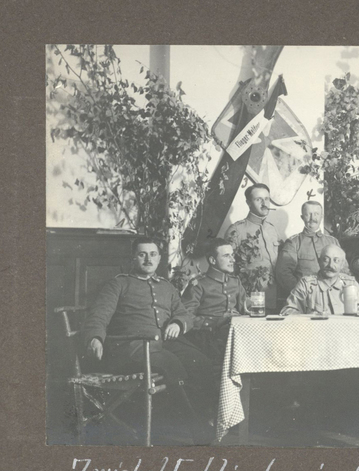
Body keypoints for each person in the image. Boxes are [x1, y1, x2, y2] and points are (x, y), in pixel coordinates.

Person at [79, 235, 213, 442]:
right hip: (131, 346)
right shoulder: (118, 284)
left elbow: (185, 314)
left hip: (164, 344)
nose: (148, 260)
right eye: (142, 254)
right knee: (171, 364)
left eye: (153, 255)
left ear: (159, 258)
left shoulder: (166, 287)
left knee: (202, 363)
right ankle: (198, 434)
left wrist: (177, 323)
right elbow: (99, 315)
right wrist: (95, 338)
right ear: (133, 258)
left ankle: (203, 422)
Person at [181, 238, 245, 362]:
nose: (233, 260)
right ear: (212, 260)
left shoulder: (235, 282)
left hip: (232, 334)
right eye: (227, 256)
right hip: (207, 337)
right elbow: (186, 315)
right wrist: (217, 321)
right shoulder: (199, 284)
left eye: (232, 255)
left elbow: (246, 310)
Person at [225, 182, 282, 311]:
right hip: (252, 297)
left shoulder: (273, 230)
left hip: (276, 296)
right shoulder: (237, 230)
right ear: (248, 203)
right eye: (258, 199)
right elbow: (228, 268)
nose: (264, 203)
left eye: (267, 199)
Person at [274, 199, 340, 299]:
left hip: (331, 298)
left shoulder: (333, 242)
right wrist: (302, 292)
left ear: (322, 217)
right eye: (308, 214)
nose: (312, 218)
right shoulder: (293, 242)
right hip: (304, 300)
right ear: (302, 217)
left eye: (316, 214)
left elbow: (344, 271)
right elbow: (283, 273)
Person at [282, 246, 358, 315]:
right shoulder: (306, 284)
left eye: (336, 260)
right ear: (319, 261)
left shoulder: (351, 283)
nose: (330, 265)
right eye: (326, 260)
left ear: (342, 264)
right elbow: (288, 310)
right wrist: (307, 318)